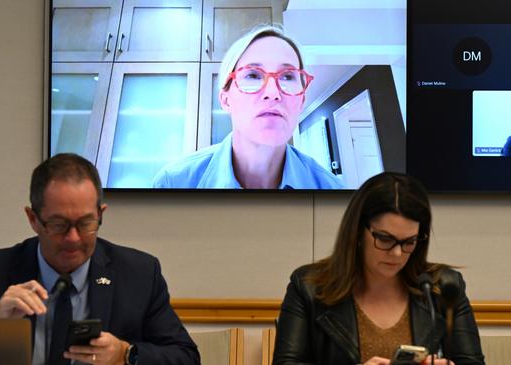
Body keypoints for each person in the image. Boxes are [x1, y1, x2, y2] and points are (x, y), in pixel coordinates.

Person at [0, 153, 199, 365]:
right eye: (59, 225)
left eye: (85, 223)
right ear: (32, 219)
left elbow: (185, 357)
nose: (73, 238)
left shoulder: (139, 274)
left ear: (100, 214)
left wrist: (125, 354)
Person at [272, 172, 484, 365]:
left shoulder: (443, 288)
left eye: (409, 241)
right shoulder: (309, 287)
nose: (397, 254)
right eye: (385, 239)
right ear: (357, 232)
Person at [153, 25, 344, 190]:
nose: (273, 92)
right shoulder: (173, 183)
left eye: (287, 76)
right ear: (226, 99)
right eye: (253, 75)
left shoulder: (333, 193)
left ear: (301, 101)